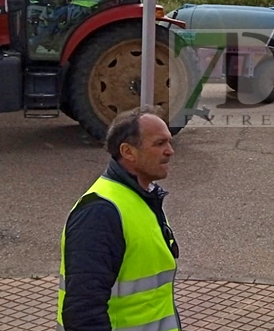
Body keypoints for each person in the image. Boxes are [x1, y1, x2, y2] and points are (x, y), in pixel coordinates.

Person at [58, 108, 182, 331]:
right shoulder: (100, 213)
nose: (170, 151)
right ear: (128, 151)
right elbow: (83, 313)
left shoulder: (143, 198)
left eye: (169, 142)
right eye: (159, 143)